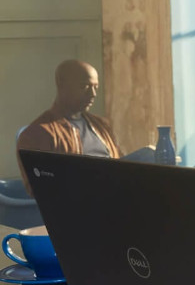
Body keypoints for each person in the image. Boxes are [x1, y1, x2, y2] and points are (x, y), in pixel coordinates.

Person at [17, 59, 122, 193]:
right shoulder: (37, 133)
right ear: (62, 85)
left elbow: (120, 162)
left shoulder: (102, 126)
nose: (93, 94)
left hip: (113, 194)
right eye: (84, 86)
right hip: (79, 203)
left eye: (96, 87)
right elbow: (39, 187)